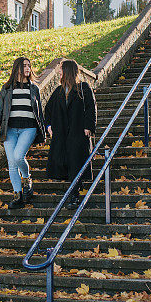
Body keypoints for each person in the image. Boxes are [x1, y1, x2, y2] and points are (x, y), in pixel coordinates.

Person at [0, 57, 46, 209]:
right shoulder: (7, 88)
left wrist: (43, 132)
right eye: (24, 66)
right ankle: (18, 195)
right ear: (17, 69)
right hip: (10, 130)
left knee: (17, 156)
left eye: (29, 65)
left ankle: (27, 178)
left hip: (29, 128)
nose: (28, 68)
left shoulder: (34, 88)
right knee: (12, 163)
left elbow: (39, 111)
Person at [44, 59, 97, 208]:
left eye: (61, 68)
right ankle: (75, 189)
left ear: (67, 70)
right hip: (62, 134)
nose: (58, 71)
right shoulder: (59, 91)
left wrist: (89, 126)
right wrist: (49, 126)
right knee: (68, 164)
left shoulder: (83, 88)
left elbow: (91, 108)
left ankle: (74, 196)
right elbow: (48, 110)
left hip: (78, 132)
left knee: (75, 163)